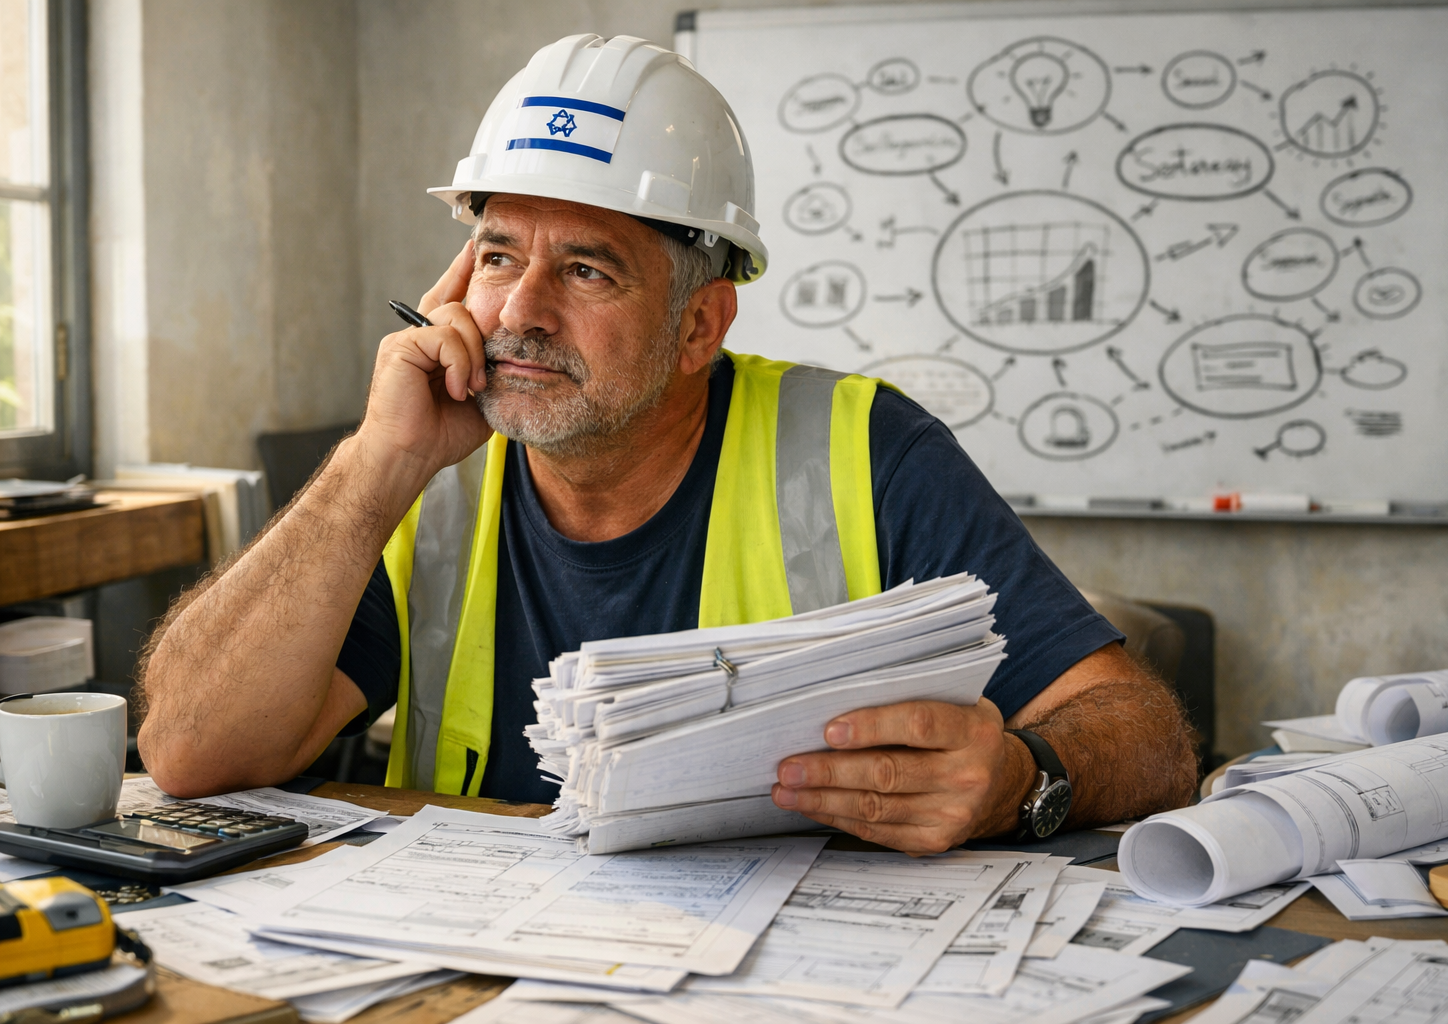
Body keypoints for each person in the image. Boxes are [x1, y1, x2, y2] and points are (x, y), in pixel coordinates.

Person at [136, 34, 1195, 854]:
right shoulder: (418, 483)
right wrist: (374, 468)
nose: (520, 312)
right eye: (499, 254)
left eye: (588, 269)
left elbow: (1145, 733)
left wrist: (1025, 775)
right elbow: (186, 752)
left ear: (700, 325)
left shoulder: (864, 449)